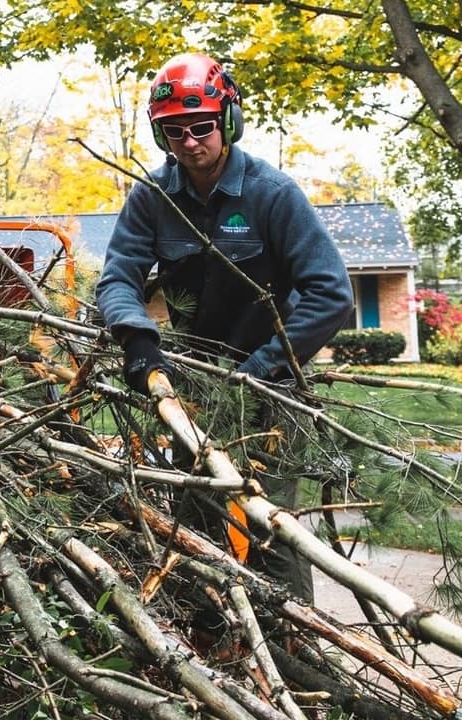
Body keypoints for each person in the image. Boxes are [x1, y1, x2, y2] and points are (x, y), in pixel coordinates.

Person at [95, 53, 354, 604]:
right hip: (190, 387)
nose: (189, 142)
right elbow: (118, 278)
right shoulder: (153, 197)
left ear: (227, 121)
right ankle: (210, 649)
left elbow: (332, 293)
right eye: (173, 131)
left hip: (268, 389)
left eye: (201, 127)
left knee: (269, 526)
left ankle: (292, 648)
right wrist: (138, 340)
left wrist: (260, 366)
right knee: (196, 522)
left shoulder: (273, 195)